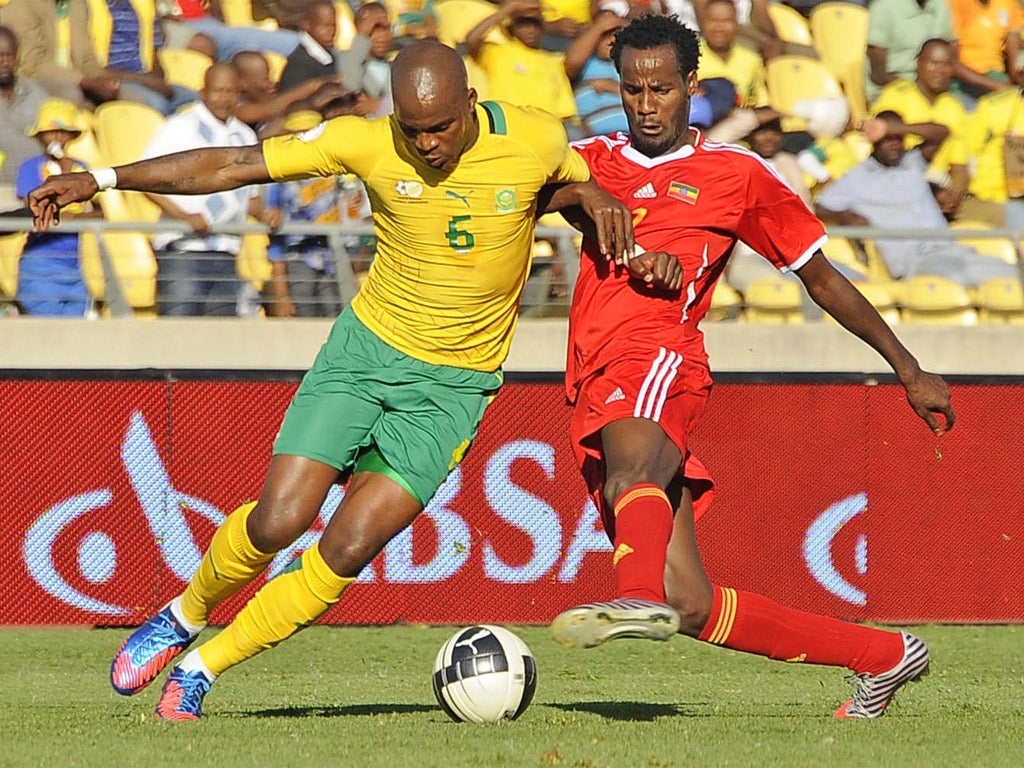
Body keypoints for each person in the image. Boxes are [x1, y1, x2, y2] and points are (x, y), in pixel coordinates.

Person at [28, 40, 633, 721]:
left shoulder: (535, 135)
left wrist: (592, 193)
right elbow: (232, 164)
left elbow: (560, 186)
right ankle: (183, 615)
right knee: (278, 521)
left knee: (346, 548)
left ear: (471, 102)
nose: (428, 144)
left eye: (441, 127)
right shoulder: (365, 141)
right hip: (363, 358)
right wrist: (102, 180)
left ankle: (202, 669)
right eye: (413, 129)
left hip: (452, 390)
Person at [544, 14, 955, 720]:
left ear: (691, 86)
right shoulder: (590, 159)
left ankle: (632, 598)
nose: (646, 105)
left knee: (631, 475)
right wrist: (586, 197)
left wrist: (907, 367)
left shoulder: (735, 174)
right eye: (633, 90)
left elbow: (818, 277)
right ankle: (885, 654)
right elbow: (518, 196)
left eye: (661, 89)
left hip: (660, 355)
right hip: (593, 368)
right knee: (689, 602)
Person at [816, 111, 1018, 287]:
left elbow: (942, 132)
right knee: (965, 277)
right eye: (887, 139)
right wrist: (846, 215)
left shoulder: (912, 162)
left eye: (899, 138)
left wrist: (889, 128)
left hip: (951, 249)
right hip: (914, 263)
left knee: (1012, 274)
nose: (895, 144)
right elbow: (818, 208)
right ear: (874, 142)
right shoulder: (856, 179)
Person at [141, 62, 271, 316]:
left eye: (230, 91)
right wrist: (183, 217)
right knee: (179, 325)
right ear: (203, 92)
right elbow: (147, 180)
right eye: (218, 91)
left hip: (227, 250)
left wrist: (265, 214)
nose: (224, 98)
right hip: (184, 249)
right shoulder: (179, 127)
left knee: (220, 332)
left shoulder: (245, 136)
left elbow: (251, 197)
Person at [15, 98, 100, 316]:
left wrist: (74, 218)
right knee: (46, 327)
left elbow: (101, 213)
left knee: (74, 329)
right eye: (51, 133)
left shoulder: (82, 169)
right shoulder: (30, 168)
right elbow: (34, 208)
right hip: (40, 263)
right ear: (40, 137)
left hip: (76, 265)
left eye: (63, 132)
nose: (57, 138)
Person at [465, 0, 582, 140]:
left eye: (535, 23)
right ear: (512, 26)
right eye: (522, 24)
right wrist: (508, 9)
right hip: (510, 128)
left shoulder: (554, 61)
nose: (530, 29)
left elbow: (565, 112)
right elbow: (472, 40)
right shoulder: (499, 53)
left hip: (545, 133)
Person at [870, 38, 970, 198]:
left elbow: (959, 163)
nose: (939, 70)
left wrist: (955, 195)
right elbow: (882, 145)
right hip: (898, 177)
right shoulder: (896, 95)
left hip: (940, 183)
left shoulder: (954, 106)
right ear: (918, 63)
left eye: (946, 64)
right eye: (933, 63)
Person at [0, 26, 47, 197]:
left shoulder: (38, 95)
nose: (4, 62)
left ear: (17, 58)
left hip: (36, 189)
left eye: (9, 56)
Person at [277, 0, 341, 92]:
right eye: (325, 26)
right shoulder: (299, 66)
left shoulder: (328, 55)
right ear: (306, 25)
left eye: (333, 26)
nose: (332, 31)